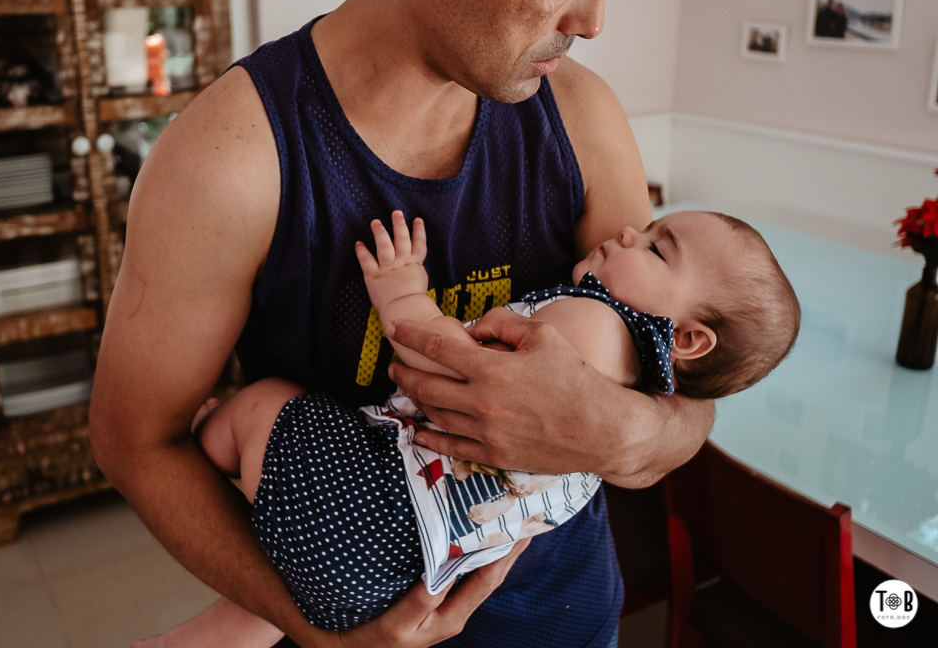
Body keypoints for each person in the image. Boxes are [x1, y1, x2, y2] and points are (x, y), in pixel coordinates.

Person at [91, 0, 703, 647]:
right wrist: (316, 630)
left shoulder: (583, 119)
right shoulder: (231, 160)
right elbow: (134, 440)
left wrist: (637, 434)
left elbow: (683, 390)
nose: (593, 22)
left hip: (571, 622)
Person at [136, 209, 800, 647]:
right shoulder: (641, 379)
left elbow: (446, 371)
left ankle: (208, 436)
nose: (629, 230)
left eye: (657, 246)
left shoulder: (592, 323)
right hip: (412, 571)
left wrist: (401, 292)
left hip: (375, 517)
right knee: (300, 580)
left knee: (264, 405)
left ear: (686, 337)